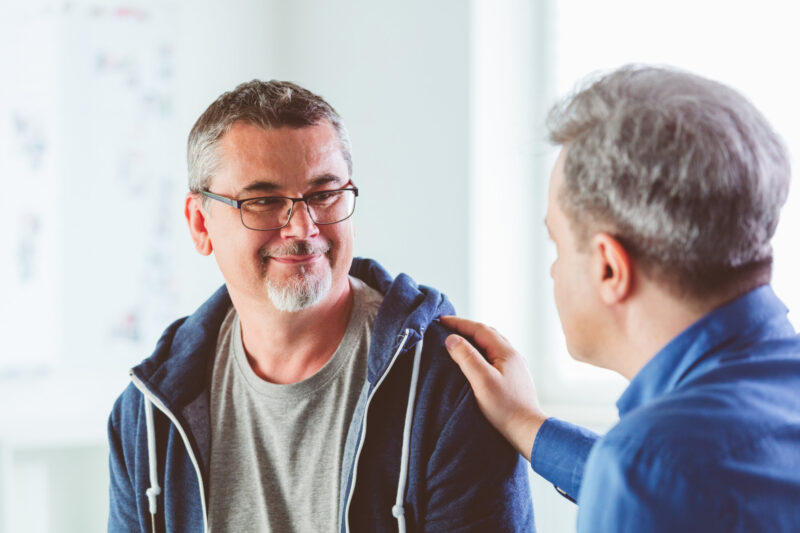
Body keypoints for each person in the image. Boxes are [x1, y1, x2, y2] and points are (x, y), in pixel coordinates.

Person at [107, 80, 534, 533]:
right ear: (200, 224)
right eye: (265, 201)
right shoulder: (147, 416)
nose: (302, 228)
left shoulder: (450, 386)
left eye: (323, 194)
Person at [442, 65, 800, 532]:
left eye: (559, 245)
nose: (553, 268)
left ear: (609, 267)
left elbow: (663, 476)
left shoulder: (651, 467)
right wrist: (525, 423)